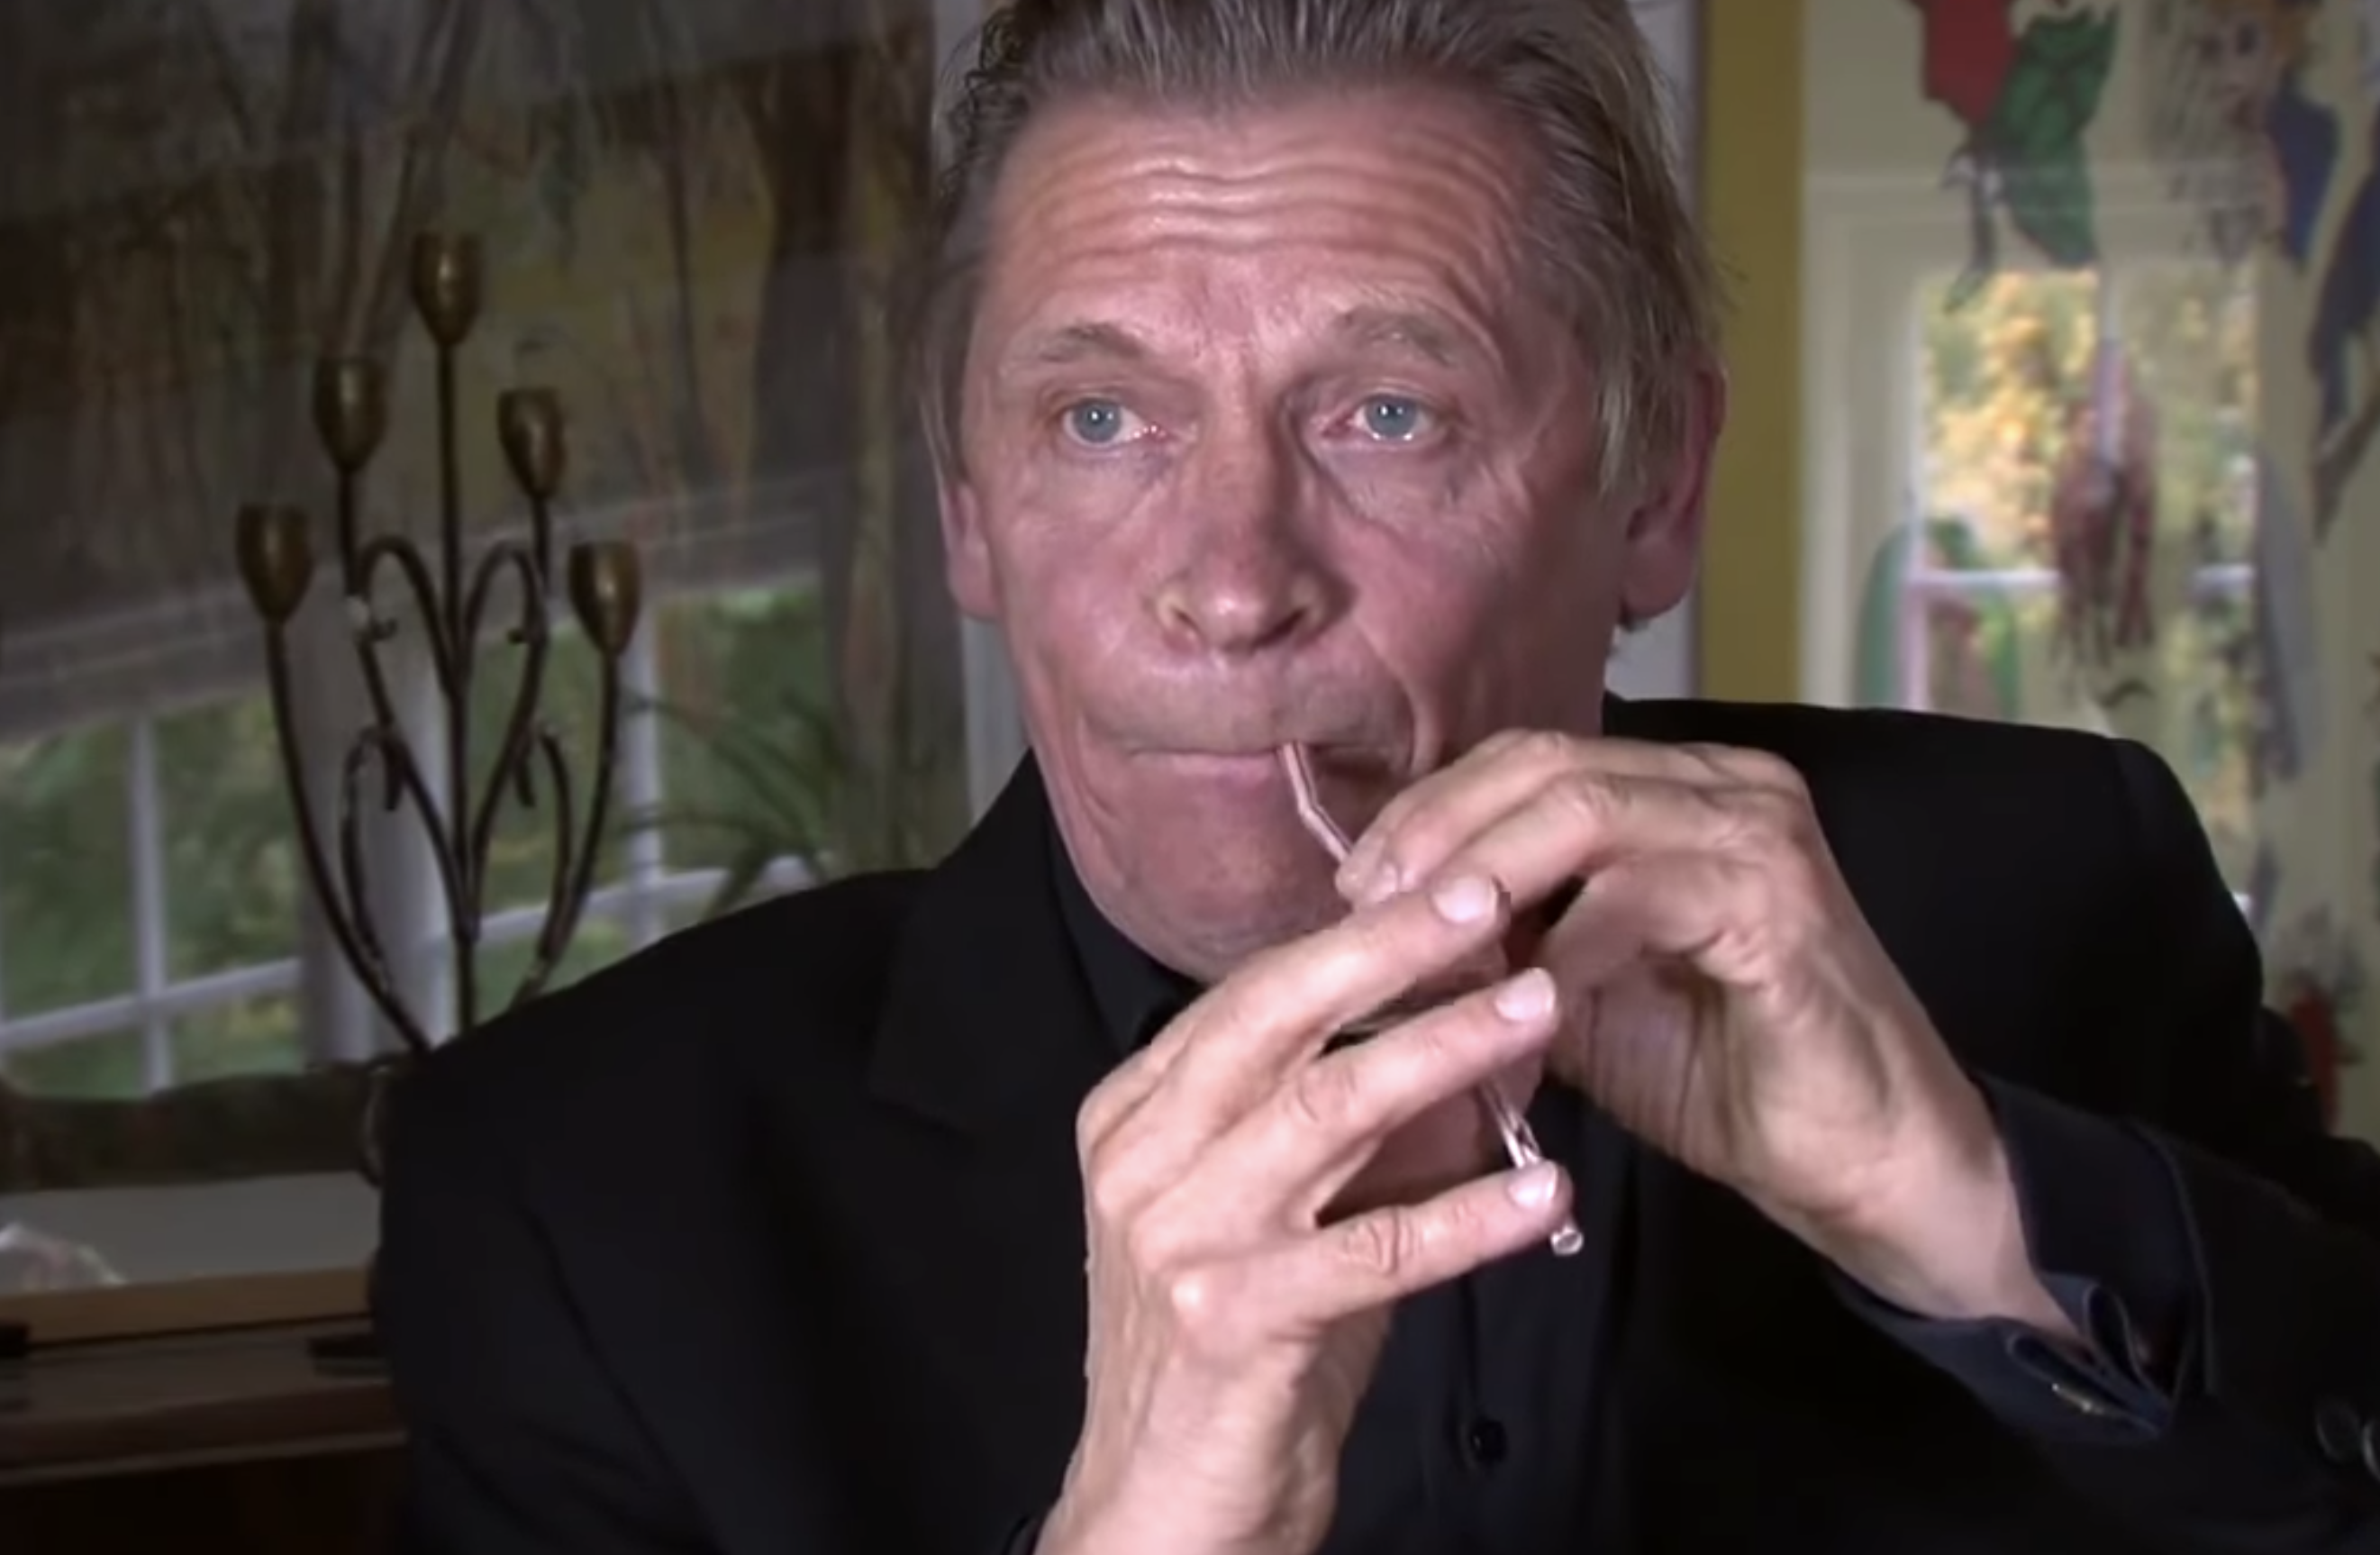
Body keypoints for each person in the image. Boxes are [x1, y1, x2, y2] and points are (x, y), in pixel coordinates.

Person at [374, 2, 2380, 1550]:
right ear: (970, 512)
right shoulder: (579, 1190)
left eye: (1388, 411)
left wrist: (1968, 1217)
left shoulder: (2053, 885)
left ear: (1654, 488)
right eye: (1100, 418)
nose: (1231, 580)